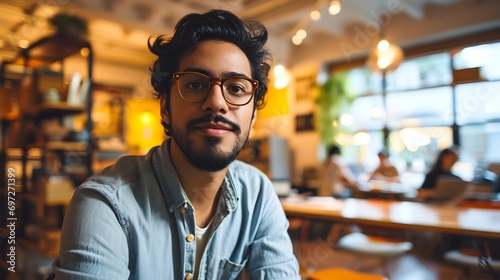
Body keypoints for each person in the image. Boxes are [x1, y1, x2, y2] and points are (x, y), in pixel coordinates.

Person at [53, 10, 300, 279]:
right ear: (165, 109)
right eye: (195, 84)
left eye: (236, 88)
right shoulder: (106, 204)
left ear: (252, 117)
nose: (217, 102)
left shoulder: (257, 194)